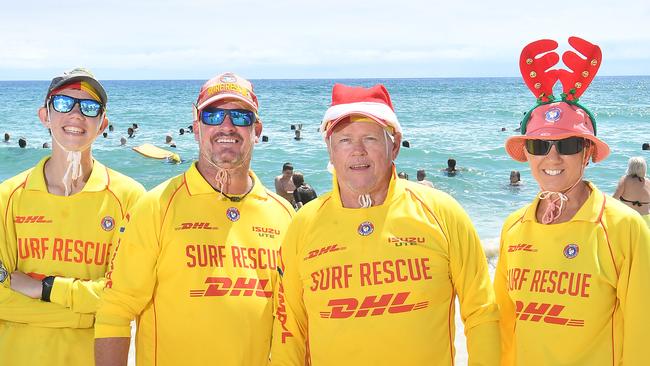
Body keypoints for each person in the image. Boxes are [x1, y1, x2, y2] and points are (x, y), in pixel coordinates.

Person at [271, 84, 500, 365]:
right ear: (329, 150)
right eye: (344, 140)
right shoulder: (303, 225)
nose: (358, 151)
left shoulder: (441, 212)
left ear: (394, 144)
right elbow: (289, 330)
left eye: (370, 138)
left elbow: (482, 313)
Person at [94, 72, 294, 366]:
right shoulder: (157, 206)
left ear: (257, 129)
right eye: (213, 115)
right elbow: (115, 310)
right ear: (197, 127)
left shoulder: (284, 215)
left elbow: (293, 322)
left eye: (240, 116)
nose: (227, 126)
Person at [495, 37, 650, 365]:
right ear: (527, 155)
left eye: (567, 145)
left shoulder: (624, 228)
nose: (552, 157)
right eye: (539, 146)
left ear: (588, 153)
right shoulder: (513, 229)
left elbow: (642, 334)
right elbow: (505, 327)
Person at [0, 67, 144, 366]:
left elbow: (127, 294)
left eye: (89, 108)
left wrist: (45, 288)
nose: (76, 115)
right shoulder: (8, 197)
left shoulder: (129, 197)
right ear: (45, 115)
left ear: (102, 123)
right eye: (64, 103)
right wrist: (84, 315)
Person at [614, 156, 650, 226]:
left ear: (630, 167)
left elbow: (614, 199)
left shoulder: (625, 179)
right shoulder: (648, 182)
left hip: (629, 219)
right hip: (646, 220)